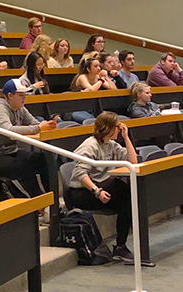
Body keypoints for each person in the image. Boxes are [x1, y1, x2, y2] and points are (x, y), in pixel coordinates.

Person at [69, 111, 138, 262]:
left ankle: (120, 246)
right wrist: (97, 191)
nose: (119, 129)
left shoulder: (111, 145)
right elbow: (81, 174)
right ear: (108, 128)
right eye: (117, 126)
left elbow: (133, 162)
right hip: (83, 192)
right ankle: (121, 247)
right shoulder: (90, 145)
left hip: (101, 188)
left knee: (128, 197)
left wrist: (126, 138)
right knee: (123, 190)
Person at [0, 79, 56, 197]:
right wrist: (38, 128)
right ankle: (38, 201)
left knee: (43, 159)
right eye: (20, 95)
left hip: (10, 152)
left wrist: (47, 125)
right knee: (23, 166)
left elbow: (34, 123)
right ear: (10, 95)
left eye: (25, 95)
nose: (24, 98)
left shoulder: (20, 107)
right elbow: (10, 131)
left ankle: (51, 197)